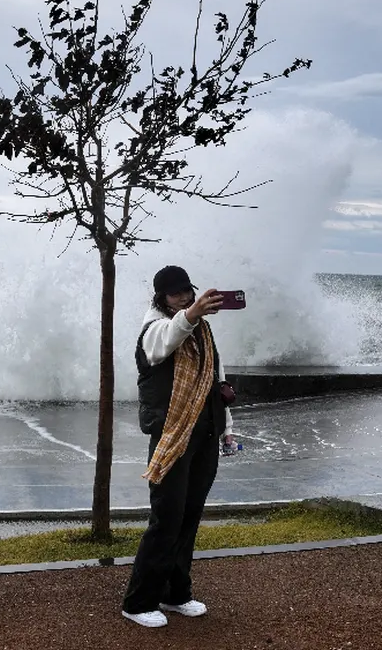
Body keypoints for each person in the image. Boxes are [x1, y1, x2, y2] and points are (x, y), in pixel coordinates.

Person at [121, 265, 236, 628]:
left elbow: (216, 382)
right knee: (166, 519)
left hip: (205, 434)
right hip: (173, 437)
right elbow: (169, 338)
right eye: (176, 294)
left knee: (188, 518)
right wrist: (192, 313)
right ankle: (138, 602)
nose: (185, 298)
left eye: (188, 291)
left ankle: (175, 594)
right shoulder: (153, 330)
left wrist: (227, 428)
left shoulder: (202, 330)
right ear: (161, 298)